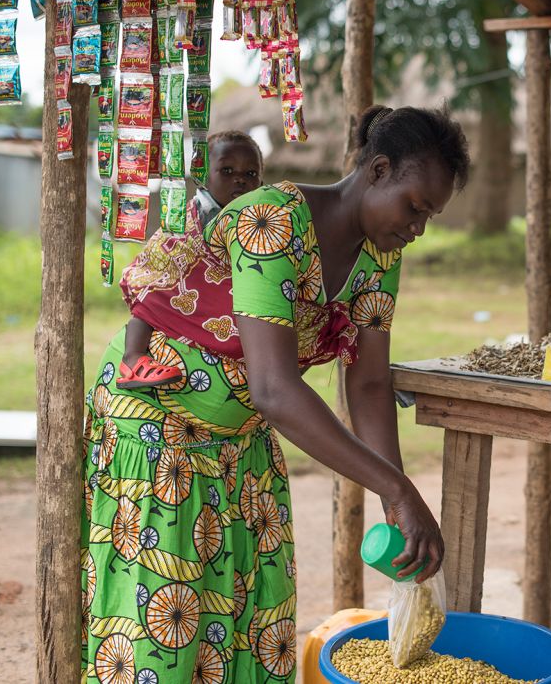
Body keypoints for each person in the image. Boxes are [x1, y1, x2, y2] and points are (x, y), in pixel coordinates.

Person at [82, 105, 469, 683]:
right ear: (378, 169)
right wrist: (398, 487)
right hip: (158, 429)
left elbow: (366, 383)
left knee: (256, 631)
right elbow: (272, 387)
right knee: (163, 632)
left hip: (243, 441)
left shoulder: (382, 253)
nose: (418, 228)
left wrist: (397, 503)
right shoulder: (273, 219)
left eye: (430, 216)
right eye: (415, 207)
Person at [116, 131, 265, 389]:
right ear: (203, 176)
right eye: (227, 171)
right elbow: (163, 257)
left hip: (224, 305)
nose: (240, 180)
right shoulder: (193, 217)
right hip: (180, 290)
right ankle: (133, 358)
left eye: (250, 174)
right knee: (152, 295)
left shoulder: (262, 217)